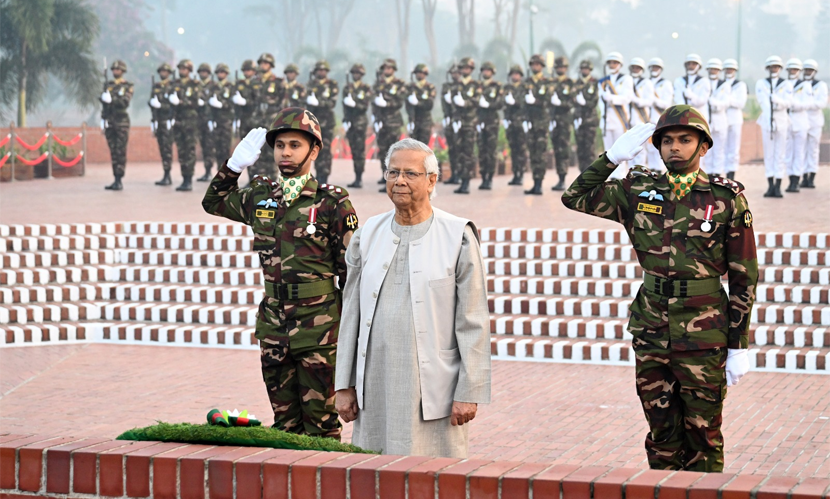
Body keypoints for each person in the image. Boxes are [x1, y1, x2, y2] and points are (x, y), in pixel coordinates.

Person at [562, 105, 757, 472]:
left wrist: (738, 345)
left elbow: (744, 276)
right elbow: (574, 196)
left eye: (685, 140)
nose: (674, 148)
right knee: (661, 436)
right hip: (652, 329)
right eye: (666, 141)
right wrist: (611, 158)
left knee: (704, 437)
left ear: (703, 147)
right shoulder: (637, 190)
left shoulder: (726, 199)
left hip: (705, 332)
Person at [202, 108, 358, 440]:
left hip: (319, 327)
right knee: (284, 424)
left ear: (313, 150)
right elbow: (213, 201)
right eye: (280, 145)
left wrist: (348, 333)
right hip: (274, 325)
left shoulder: (332, 202)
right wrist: (234, 166)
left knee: (321, 426)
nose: (285, 153)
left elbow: (351, 274)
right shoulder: (261, 195)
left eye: (295, 145)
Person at [335, 138, 491, 458]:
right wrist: (343, 385)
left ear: (432, 180)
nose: (400, 181)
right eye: (393, 173)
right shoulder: (368, 234)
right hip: (374, 384)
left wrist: (469, 391)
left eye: (410, 173)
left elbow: (472, 320)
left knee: (434, 478)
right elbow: (350, 312)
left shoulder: (457, 235)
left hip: (434, 389)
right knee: (373, 474)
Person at [756, 55, 792, 198]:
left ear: (780, 68)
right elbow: (763, 102)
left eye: (776, 66)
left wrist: (777, 102)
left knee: (780, 154)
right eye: (771, 66)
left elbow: (788, 102)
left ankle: (778, 185)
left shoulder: (786, 84)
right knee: (769, 154)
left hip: (782, 120)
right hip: (767, 120)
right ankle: (770, 184)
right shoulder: (761, 83)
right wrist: (772, 108)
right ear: (768, 68)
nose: (774, 69)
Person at [250, 53, 286, 182]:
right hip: (257, 120)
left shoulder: (278, 82)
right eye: (261, 63)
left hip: (272, 121)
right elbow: (250, 102)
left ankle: (271, 182)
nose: (263, 65)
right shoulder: (254, 81)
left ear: (271, 65)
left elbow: (283, 102)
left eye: (266, 63)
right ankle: (255, 182)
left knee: (271, 151)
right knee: (255, 151)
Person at [167, 59, 202, 191]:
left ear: (189, 71)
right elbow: (169, 102)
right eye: (181, 68)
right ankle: (184, 178)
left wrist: (181, 102)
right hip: (178, 122)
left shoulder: (194, 85)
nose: (182, 71)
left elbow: (196, 102)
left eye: (185, 69)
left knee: (189, 151)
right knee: (181, 151)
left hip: (190, 123)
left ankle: (189, 179)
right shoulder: (174, 84)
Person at [372, 58, 406, 190]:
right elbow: (373, 102)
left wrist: (387, 104)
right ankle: (384, 174)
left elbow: (399, 102)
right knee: (382, 150)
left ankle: (393, 178)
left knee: (393, 151)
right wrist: (375, 118)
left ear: (393, 70)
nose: (387, 70)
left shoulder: (398, 84)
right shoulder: (377, 84)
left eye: (389, 68)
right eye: (385, 68)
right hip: (381, 122)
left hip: (393, 122)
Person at [598, 52, 633, 179]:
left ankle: (620, 176)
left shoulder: (626, 79)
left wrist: (611, 98)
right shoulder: (602, 81)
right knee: (608, 151)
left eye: (615, 62)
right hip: (607, 120)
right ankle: (610, 175)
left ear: (620, 64)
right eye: (610, 63)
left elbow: (627, 98)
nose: (612, 65)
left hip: (620, 120)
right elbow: (600, 103)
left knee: (620, 150)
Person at [100, 59, 134, 191]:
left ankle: (119, 178)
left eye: (118, 70)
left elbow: (125, 102)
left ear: (123, 71)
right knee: (113, 151)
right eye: (114, 70)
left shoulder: (127, 86)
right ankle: (115, 178)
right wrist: (103, 120)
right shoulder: (108, 85)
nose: (115, 71)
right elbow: (104, 105)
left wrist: (112, 99)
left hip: (121, 122)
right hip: (110, 120)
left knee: (120, 151)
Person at [449, 57, 480, 194]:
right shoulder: (457, 85)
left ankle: (467, 181)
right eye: (463, 68)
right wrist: (455, 120)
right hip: (459, 123)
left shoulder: (475, 85)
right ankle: (462, 179)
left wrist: (465, 103)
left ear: (471, 70)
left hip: (470, 123)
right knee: (459, 151)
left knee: (468, 152)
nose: (464, 70)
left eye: (467, 68)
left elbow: (477, 101)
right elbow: (454, 106)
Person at [305, 60, 339, 185]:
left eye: (324, 70)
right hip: (313, 122)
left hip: (327, 122)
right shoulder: (310, 84)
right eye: (319, 70)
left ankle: (324, 175)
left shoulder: (332, 85)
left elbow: (332, 102)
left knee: (325, 149)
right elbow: (305, 101)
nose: (321, 72)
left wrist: (318, 102)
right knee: (314, 148)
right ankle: (317, 174)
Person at [523, 54, 551, 194]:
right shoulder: (526, 82)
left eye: (538, 64)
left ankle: (540, 183)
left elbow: (549, 101)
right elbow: (521, 103)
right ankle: (535, 182)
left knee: (540, 153)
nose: (535, 66)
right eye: (533, 64)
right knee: (533, 154)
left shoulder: (546, 83)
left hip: (541, 123)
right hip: (530, 123)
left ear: (541, 66)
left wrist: (535, 101)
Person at [784, 58, 813, 193]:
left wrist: (793, 104)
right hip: (787, 120)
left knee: (799, 152)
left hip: (800, 121)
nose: (793, 71)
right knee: (788, 152)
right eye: (791, 69)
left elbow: (807, 103)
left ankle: (796, 180)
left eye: (795, 69)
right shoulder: (784, 84)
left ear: (799, 71)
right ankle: (790, 179)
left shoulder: (805, 85)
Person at [343, 63, 373, 188]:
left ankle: (359, 177)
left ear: (361, 75)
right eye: (354, 73)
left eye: (358, 73)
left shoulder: (365, 88)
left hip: (360, 122)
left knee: (360, 151)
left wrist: (354, 104)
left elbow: (365, 105)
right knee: (354, 149)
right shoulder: (347, 88)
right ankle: (356, 176)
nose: (356, 75)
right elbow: (344, 105)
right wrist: (346, 119)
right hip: (351, 122)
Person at [549, 56, 574, 191]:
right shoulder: (551, 83)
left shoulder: (569, 83)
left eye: (562, 67)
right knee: (556, 150)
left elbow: (572, 102)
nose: (560, 69)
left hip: (564, 121)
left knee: (563, 149)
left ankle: (563, 178)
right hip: (554, 121)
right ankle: (559, 178)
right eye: (558, 67)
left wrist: (561, 103)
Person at [476, 61, 502, 190]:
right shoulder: (477, 86)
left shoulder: (497, 86)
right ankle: (483, 176)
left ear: (492, 72)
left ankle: (490, 177)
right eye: (484, 70)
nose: (486, 72)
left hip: (492, 122)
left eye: (488, 70)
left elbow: (500, 103)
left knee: (491, 150)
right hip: (480, 121)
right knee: (482, 150)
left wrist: (489, 105)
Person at [802, 59, 827, 188]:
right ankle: (803, 176)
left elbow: (822, 103)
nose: (807, 72)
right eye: (806, 70)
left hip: (815, 121)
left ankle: (811, 176)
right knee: (801, 150)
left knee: (813, 150)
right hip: (801, 121)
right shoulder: (799, 84)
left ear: (814, 72)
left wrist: (806, 104)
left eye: (810, 70)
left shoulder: (820, 85)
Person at [150, 62, 175, 186]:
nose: (163, 74)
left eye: (165, 72)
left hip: (168, 120)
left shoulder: (173, 86)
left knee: (167, 148)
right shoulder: (156, 86)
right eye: (161, 72)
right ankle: (165, 174)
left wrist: (161, 106)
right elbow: (152, 104)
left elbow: (173, 105)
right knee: (162, 147)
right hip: (159, 121)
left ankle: (167, 174)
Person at [705, 58, 731, 177]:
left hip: (720, 121)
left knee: (719, 150)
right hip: (707, 121)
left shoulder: (725, 85)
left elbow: (725, 103)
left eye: (715, 69)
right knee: (707, 150)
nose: (713, 71)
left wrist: (714, 103)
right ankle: (708, 175)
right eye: (711, 69)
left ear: (719, 71)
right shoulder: (703, 83)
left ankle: (717, 175)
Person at [647, 58, 674, 173]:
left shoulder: (665, 84)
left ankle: (659, 170)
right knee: (649, 148)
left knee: (659, 146)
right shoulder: (645, 82)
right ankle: (651, 170)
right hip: (646, 119)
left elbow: (666, 103)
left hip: (659, 119)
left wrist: (653, 100)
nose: (654, 69)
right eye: (653, 67)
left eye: (657, 67)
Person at [572, 60, 600, 172]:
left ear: (590, 70)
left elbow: (594, 101)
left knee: (590, 150)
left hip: (590, 121)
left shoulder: (594, 83)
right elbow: (572, 98)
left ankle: (590, 175)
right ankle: (582, 175)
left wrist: (585, 103)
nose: (584, 71)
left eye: (586, 69)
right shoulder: (576, 83)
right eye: (583, 69)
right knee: (580, 150)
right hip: (578, 120)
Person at [503, 65, 529, 184]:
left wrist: (516, 102)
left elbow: (526, 103)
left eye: (517, 74)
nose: (515, 76)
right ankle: (515, 174)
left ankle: (521, 173)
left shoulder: (524, 88)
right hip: (511, 122)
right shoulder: (507, 88)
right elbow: (504, 104)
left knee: (521, 149)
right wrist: (506, 119)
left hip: (521, 121)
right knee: (513, 149)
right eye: (513, 74)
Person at [722, 59, 747, 180]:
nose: (729, 71)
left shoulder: (740, 85)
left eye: (731, 69)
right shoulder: (720, 84)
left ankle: (731, 175)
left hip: (735, 119)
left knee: (733, 148)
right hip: (722, 119)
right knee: (721, 148)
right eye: (727, 69)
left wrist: (726, 100)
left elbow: (740, 103)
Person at [628, 58, 654, 168]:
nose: (635, 69)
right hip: (627, 119)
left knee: (641, 149)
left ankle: (640, 174)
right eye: (633, 67)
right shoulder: (627, 81)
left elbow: (650, 101)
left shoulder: (646, 83)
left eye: (637, 67)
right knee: (629, 148)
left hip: (641, 119)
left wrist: (636, 100)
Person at [208, 63, 235, 170]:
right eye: (219, 72)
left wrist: (221, 105)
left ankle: (227, 173)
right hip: (216, 122)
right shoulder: (213, 87)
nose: (221, 74)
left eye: (223, 72)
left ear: (226, 74)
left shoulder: (230, 87)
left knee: (225, 149)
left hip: (226, 122)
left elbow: (233, 103)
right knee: (217, 148)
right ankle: (219, 172)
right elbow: (208, 105)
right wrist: (210, 119)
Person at [195, 63, 217, 182]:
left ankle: (209, 170)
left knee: (209, 146)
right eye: (201, 71)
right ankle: (206, 170)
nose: (203, 73)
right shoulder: (196, 85)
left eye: (205, 71)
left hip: (210, 119)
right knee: (203, 145)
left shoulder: (213, 86)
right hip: (199, 119)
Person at [406, 63, 436, 145]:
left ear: (425, 74)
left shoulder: (430, 87)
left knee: (423, 146)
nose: (418, 75)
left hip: (425, 121)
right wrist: (410, 120)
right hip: (414, 120)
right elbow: (408, 106)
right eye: (417, 73)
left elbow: (429, 104)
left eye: (421, 72)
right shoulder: (410, 87)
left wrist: (418, 103)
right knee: (413, 147)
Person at [441, 64, 461, 185]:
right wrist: (446, 116)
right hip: (450, 120)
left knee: (460, 149)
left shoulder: (462, 86)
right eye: (453, 73)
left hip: (459, 120)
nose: (455, 75)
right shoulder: (446, 86)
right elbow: (444, 102)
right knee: (452, 149)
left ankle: (460, 174)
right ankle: (454, 174)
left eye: (457, 73)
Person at [232, 59, 258, 140]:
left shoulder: (258, 83)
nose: (246, 72)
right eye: (245, 70)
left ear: (254, 71)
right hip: (243, 117)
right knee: (244, 143)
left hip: (256, 118)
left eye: (249, 70)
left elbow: (258, 100)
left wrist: (245, 102)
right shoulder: (240, 83)